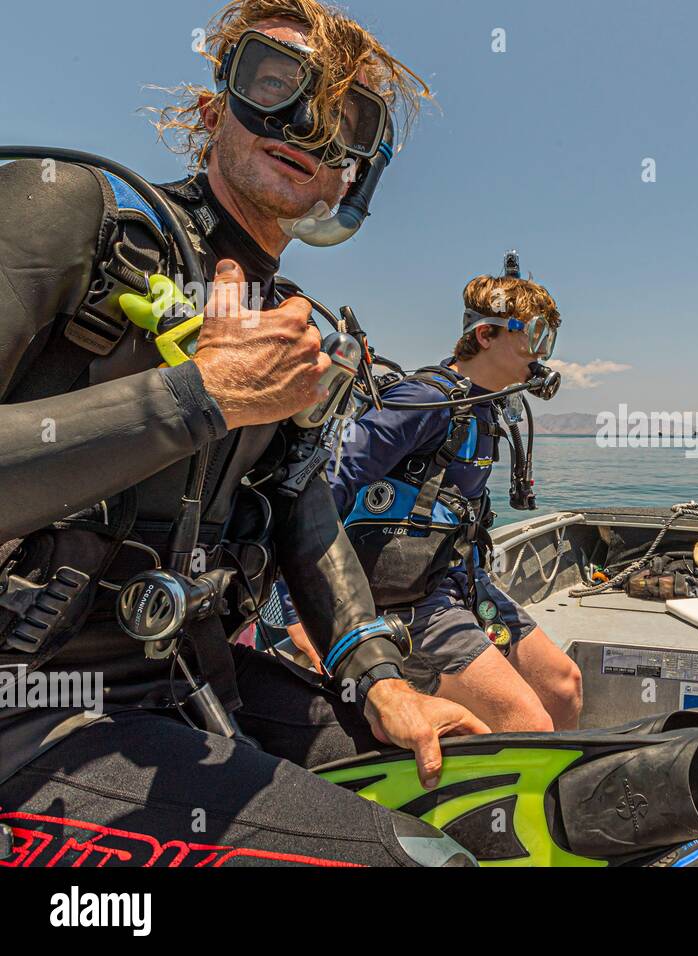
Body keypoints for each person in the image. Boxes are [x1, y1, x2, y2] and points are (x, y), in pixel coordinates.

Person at [0, 0, 493, 868]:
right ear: (207, 111)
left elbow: (303, 512)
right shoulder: (67, 214)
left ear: (352, 176)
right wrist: (200, 398)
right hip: (27, 705)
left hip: (189, 683)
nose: (305, 126)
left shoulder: (289, 327)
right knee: (415, 861)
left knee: (487, 803)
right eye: (273, 85)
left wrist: (377, 673)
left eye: (343, 120)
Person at [329, 264, 582, 731]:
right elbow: (327, 483)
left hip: (461, 579)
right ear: (486, 334)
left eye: (550, 341)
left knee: (563, 685)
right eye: (536, 338)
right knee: (528, 724)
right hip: (410, 599)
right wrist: (304, 609)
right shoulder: (423, 402)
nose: (544, 355)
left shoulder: (485, 406)